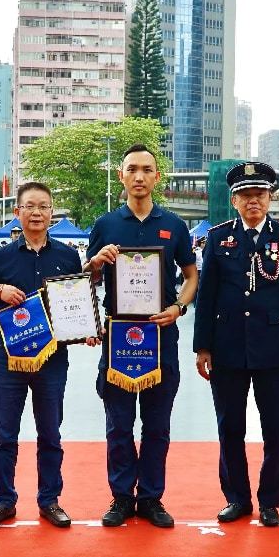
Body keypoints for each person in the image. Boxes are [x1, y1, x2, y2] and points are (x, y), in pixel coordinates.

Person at [84, 143, 198, 528]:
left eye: (146, 170)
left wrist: (178, 308)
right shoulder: (105, 225)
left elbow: (191, 275)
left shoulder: (175, 225)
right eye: (131, 169)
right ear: (122, 175)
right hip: (118, 335)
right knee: (118, 424)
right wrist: (96, 262)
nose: (139, 176)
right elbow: (88, 280)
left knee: (157, 424)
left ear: (157, 177)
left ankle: (150, 498)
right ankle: (120, 498)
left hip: (161, 334)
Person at [194, 161, 279, 527]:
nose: (253, 201)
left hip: (275, 351)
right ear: (234, 200)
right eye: (245, 195)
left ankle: (270, 501)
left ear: (270, 197)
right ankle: (237, 498)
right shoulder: (218, 237)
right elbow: (207, 295)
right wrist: (203, 347)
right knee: (230, 428)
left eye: (259, 194)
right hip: (228, 348)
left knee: (276, 429)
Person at [0, 181, 83, 529]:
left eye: (44, 206)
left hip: (53, 360)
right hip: (8, 357)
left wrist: (85, 332)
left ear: (52, 213)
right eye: (30, 206)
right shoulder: (1, 257)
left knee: (50, 433)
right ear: (17, 212)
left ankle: (49, 500)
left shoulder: (67, 256)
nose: (37, 213)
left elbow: (76, 305)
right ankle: (4, 500)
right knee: (5, 434)